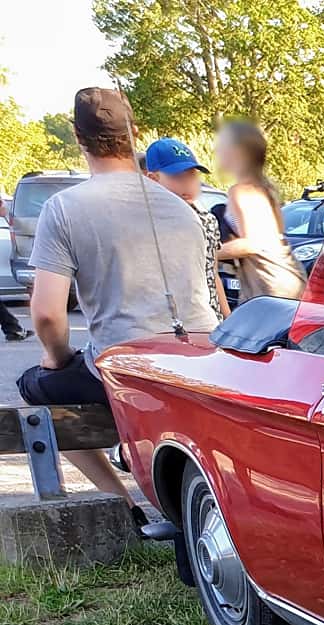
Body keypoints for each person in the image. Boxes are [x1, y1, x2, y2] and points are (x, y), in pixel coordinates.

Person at [18, 88, 219, 511]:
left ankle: (121, 505)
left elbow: (48, 314)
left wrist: (56, 357)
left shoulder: (64, 208)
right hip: (203, 356)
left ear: (77, 136)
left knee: (35, 387)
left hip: (127, 362)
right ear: (135, 132)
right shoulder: (184, 209)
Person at [213, 120, 303, 302]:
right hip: (283, 280)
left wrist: (207, 254)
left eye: (221, 145)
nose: (216, 151)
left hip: (271, 284)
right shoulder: (265, 188)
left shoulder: (242, 191)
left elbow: (254, 243)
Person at [142, 137, 227, 319]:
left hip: (207, 319)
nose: (187, 184)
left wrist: (228, 319)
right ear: (153, 179)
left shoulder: (207, 220)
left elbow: (211, 272)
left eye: (192, 175)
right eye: (177, 177)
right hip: (165, 322)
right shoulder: (144, 222)